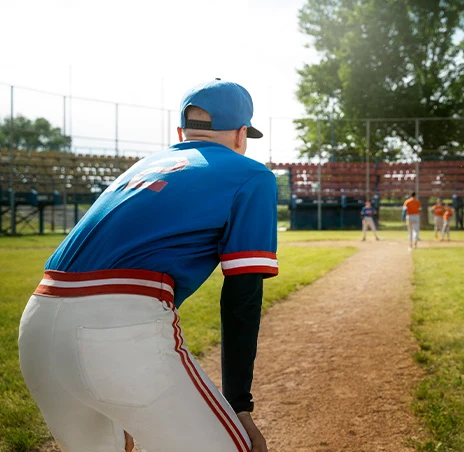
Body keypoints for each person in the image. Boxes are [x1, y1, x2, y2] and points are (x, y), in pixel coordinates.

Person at [18, 79, 275, 452]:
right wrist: (239, 405)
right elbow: (243, 298)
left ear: (180, 133)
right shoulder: (251, 174)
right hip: (116, 331)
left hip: (37, 329)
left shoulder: (144, 166)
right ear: (240, 135)